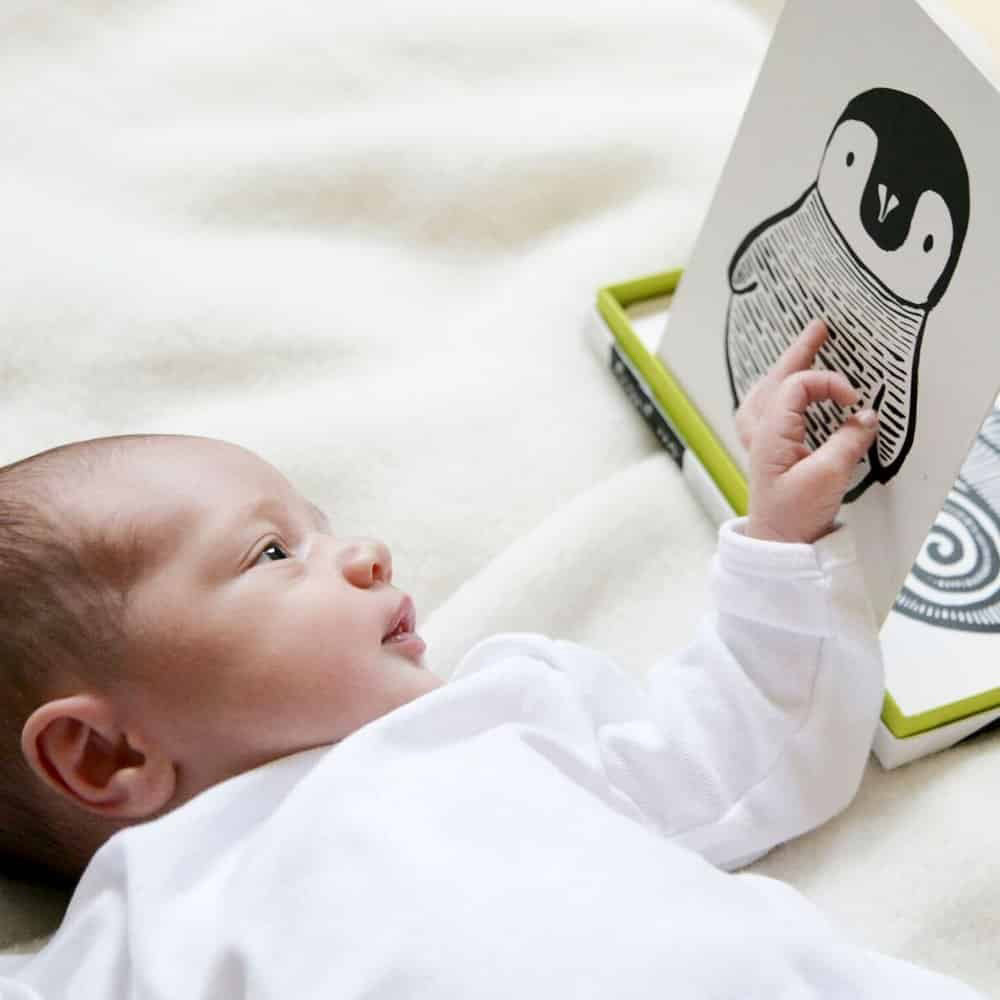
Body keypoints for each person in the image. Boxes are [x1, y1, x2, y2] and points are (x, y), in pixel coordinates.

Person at [0, 320, 983, 997]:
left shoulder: (496, 713)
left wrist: (778, 539)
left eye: (323, 526)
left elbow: (744, 745)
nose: (363, 553)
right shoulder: (141, 926)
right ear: (105, 757)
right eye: (272, 553)